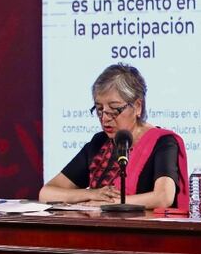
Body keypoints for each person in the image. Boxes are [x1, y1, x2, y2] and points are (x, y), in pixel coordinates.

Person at [39, 64, 189, 209]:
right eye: (99, 109)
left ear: (137, 106)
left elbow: (163, 197)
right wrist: (91, 194)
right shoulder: (99, 143)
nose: (104, 118)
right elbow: (47, 193)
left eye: (114, 109)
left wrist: (113, 204)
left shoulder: (162, 142)